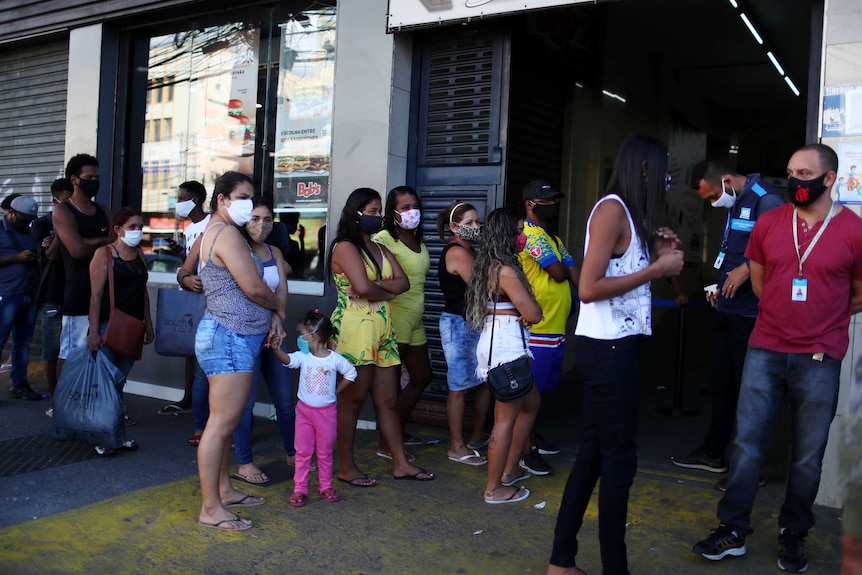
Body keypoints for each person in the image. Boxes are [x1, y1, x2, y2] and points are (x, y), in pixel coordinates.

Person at [693, 143, 862, 572]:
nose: (794, 180)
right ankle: (732, 530)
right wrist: (784, 318)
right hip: (765, 348)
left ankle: (794, 532)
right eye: (790, 171)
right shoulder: (769, 222)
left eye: (805, 173)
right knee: (747, 445)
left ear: (829, 179)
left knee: (807, 453)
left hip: (820, 356)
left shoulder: (853, 230)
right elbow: (762, 279)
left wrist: (822, 320)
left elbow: (858, 293)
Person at [547, 134, 685, 575]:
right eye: (663, 172)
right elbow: (588, 289)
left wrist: (659, 256)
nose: (667, 181)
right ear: (644, 169)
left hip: (616, 348)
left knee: (593, 457)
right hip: (606, 352)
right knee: (619, 463)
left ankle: (561, 563)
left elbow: (631, 282)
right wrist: (656, 269)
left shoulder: (631, 216)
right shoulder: (611, 210)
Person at [672, 161, 784, 488]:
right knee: (722, 385)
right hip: (728, 309)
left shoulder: (767, 200)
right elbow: (732, 251)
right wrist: (720, 286)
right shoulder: (735, 202)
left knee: (752, 392)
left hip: (753, 316)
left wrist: (748, 268)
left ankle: (754, 469)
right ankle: (713, 453)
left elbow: (781, 250)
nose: (712, 203)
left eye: (712, 196)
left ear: (726, 180)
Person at [194, 171, 285, 531]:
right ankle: (210, 508)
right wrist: (278, 309)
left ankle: (224, 491)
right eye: (244, 197)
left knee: (225, 422)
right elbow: (254, 287)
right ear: (223, 199)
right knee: (219, 426)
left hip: (231, 336)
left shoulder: (217, 232)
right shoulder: (227, 233)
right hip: (228, 337)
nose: (250, 203)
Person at [328, 187, 434, 486]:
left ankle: (400, 463)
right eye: (373, 212)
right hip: (355, 331)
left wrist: (377, 288)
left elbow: (404, 283)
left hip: (383, 329)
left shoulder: (380, 247)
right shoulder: (344, 247)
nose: (378, 217)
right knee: (353, 399)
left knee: (387, 400)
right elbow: (364, 288)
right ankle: (347, 467)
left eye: (379, 212)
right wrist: (380, 288)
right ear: (356, 213)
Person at [465, 207, 543, 504]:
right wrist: (529, 312)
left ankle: (509, 471)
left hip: (498, 343)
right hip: (507, 348)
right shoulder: (506, 271)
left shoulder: (489, 265)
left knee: (531, 403)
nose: (523, 237)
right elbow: (533, 312)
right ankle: (494, 489)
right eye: (519, 231)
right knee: (504, 421)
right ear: (506, 235)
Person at [230, 197, 296, 484]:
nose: (261, 225)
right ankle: (245, 462)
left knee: (285, 400)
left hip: (273, 332)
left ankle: (294, 454)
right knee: (244, 403)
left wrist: (278, 321)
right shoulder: (236, 250)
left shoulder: (275, 252)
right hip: (245, 333)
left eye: (267, 220)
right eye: (255, 218)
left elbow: (282, 289)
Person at [518, 180, 580, 476]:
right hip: (537, 328)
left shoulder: (551, 238)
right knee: (532, 394)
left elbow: (574, 271)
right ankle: (524, 451)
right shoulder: (530, 235)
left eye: (554, 199)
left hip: (554, 328)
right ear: (530, 203)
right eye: (547, 200)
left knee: (542, 393)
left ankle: (534, 437)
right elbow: (558, 273)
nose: (553, 204)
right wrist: (566, 268)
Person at [270, 310, 357, 507]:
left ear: (313, 336)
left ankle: (325, 486)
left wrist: (335, 392)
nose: (299, 338)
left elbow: (351, 373)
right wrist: (276, 349)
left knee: (325, 452)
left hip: (326, 414)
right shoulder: (304, 356)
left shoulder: (334, 359)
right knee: (302, 452)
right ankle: (300, 488)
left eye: (301, 334)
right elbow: (289, 361)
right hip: (304, 412)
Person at [87, 207, 153, 455]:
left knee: (118, 382)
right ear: (117, 229)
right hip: (109, 326)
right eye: (133, 226)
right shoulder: (104, 254)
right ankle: (105, 436)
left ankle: (115, 434)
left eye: (140, 226)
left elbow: (143, 290)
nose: (138, 231)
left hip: (133, 327)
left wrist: (148, 322)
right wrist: (94, 331)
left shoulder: (139, 254)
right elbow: (95, 295)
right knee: (107, 384)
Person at [373, 186, 432, 453]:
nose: (412, 212)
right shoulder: (384, 239)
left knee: (422, 376)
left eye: (414, 206)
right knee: (392, 386)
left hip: (415, 317)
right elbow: (375, 274)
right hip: (396, 316)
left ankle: (396, 431)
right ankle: (388, 443)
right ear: (393, 212)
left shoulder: (417, 237)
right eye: (405, 207)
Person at [437, 201, 491, 466]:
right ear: (453, 226)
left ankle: (477, 435)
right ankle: (456, 446)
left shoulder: (472, 250)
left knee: (484, 382)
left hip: (475, 323)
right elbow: (483, 288)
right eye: (468, 223)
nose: (475, 227)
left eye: (477, 222)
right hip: (458, 325)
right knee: (459, 387)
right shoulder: (456, 253)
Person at [53, 154, 113, 381]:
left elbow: (116, 242)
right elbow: (76, 249)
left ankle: (91, 407)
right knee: (70, 353)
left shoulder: (103, 211)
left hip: (105, 294)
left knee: (102, 352)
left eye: (97, 177)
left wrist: (91, 241)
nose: (94, 181)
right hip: (78, 294)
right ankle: (59, 403)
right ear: (74, 180)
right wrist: (103, 241)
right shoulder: (63, 211)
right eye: (89, 177)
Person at [160, 181, 209, 419]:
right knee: (191, 349)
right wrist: (181, 254)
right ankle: (189, 396)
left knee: (203, 349)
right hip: (191, 293)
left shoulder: (212, 223)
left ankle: (201, 400)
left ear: (197, 199)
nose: (179, 203)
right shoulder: (190, 229)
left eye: (183, 198)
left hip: (208, 295)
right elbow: (192, 259)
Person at [31, 178, 73, 415]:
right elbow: (49, 254)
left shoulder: (79, 220)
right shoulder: (41, 224)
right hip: (52, 294)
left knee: (74, 350)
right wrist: (59, 229)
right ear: (56, 200)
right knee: (52, 349)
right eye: (66, 200)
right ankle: (53, 399)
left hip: (76, 294)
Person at [0, 195, 41, 400]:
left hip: (28, 294)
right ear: (11, 212)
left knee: (22, 342)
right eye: (23, 218)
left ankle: (20, 384)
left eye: (29, 219)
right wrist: (17, 258)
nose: (26, 223)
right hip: (6, 294)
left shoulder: (30, 231)